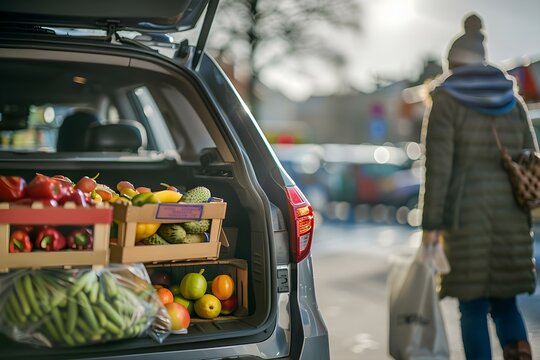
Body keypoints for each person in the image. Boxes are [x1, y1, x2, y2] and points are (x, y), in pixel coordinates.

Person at [419, 13, 536, 360]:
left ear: (452, 63)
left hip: (464, 218)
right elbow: (531, 157)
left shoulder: (446, 101)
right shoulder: (513, 102)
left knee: (472, 309)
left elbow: (437, 169)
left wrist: (430, 227)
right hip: (511, 218)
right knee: (506, 304)